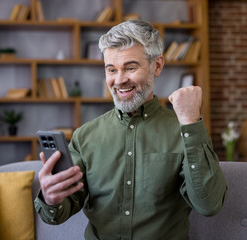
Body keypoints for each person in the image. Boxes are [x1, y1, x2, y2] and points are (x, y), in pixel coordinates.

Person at [34, 20, 227, 240]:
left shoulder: (185, 131)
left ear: (157, 66)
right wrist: (51, 198)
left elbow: (210, 205)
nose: (119, 80)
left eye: (130, 67)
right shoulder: (85, 136)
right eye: (111, 69)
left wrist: (191, 122)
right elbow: (57, 214)